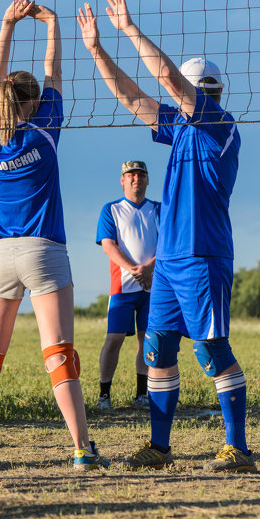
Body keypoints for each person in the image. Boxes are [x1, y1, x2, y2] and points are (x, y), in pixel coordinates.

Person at [77, 0, 256, 473]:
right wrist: (97, 50)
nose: (178, 101)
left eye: (188, 95)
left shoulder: (219, 122)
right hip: (173, 259)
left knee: (211, 348)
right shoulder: (180, 127)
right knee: (157, 348)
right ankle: (159, 447)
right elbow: (134, 97)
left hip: (204, 254)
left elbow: (171, 83)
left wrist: (130, 29)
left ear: (205, 93)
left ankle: (237, 448)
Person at [0, 0, 109, 472]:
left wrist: (5, 24)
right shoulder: (43, 130)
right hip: (43, 250)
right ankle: (82, 449)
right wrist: (52, 24)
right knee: (59, 355)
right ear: (32, 102)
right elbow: (55, 72)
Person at [96, 160, 159, 412]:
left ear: (147, 179)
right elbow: (108, 245)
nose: (136, 179)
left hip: (153, 287)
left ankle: (142, 394)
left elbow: (167, 243)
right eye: (131, 175)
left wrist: (149, 269)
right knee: (114, 339)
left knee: (148, 340)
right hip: (122, 287)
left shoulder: (158, 209)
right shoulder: (111, 209)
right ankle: (104, 394)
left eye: (141, 175)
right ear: (122, 180)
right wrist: (134, 269)